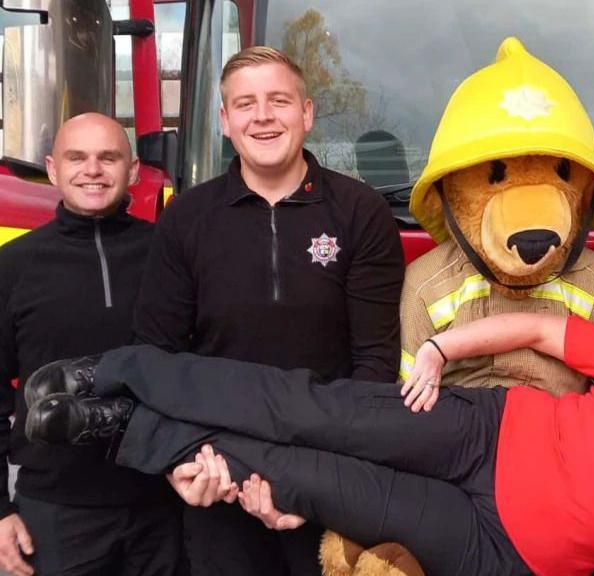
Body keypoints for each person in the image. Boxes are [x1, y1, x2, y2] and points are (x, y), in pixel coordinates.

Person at [24, 291, 594, 576]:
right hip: (483, 431)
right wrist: (440, 347)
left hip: (500, 546)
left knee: (307, 478)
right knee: (310, 408)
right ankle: (121, 372)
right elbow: (532, 328)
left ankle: (119, 430)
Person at [132, 46, 405, 575]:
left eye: (279, 100)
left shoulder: (361, 213)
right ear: (225, 120)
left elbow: (373, 364)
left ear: (306, 113)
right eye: (245, 103)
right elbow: (156, 359)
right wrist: (182, 462)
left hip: (331, 472)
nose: (262, 115)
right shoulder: (186, 217)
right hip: (218, 473)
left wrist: (319, 484)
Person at [0, 113, 180, 576]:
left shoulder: (170, 255)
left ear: (134, 170)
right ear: (53, 169)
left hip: (164, 504)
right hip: (56, 513)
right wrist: (0, 510)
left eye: (108, 157)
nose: (93, 170)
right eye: (76, 158)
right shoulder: (13, 265)